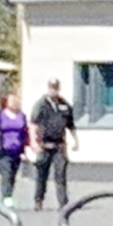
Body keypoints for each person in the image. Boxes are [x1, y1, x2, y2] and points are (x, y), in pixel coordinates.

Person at [27, 80, 77, 213]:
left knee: (61, 174)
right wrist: (33, 142)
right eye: (51, 88)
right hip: (44, 145)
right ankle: (39, 200)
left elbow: (70, 125)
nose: (53, 90)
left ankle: (63, 202)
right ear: (48, 88)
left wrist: (76, 141)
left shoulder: (64, 105)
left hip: (59, 145)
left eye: (56, 88)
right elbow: (33, 124)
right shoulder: (41, 104)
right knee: (41, 174)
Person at [0, 93, 25, 202]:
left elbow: (25, 132)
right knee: (7, 173)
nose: (14, 102)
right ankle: (6, 197)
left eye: (16, 100)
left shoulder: (21, 116)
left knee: (13, 175)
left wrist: (26, 146)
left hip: (17, 151)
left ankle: (9, 194)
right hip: (3, 150)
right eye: (11, 100)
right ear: (6, 102)